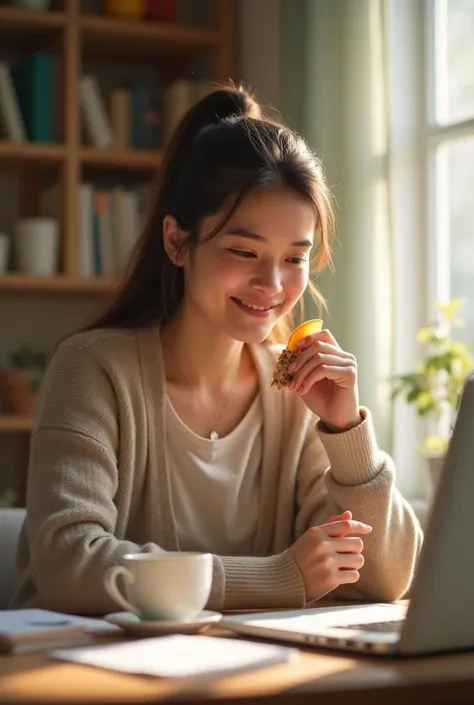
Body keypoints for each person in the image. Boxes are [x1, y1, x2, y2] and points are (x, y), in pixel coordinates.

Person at [11, 84, 422, 615]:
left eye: (295, 259)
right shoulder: (92, 370)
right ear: (176, 241)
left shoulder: (293, 392)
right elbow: (69, 564)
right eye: (243, 251)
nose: (271, 284)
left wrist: (348, 436)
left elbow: (384, 581)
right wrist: (280, 577)